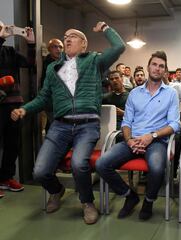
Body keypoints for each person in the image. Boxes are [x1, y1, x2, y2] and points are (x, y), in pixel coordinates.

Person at [11, 22, 125, 224]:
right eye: (65, 37)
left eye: (73, 36)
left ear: (84, 44)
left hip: (87, 125)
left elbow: (119, 47)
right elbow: (44, 97)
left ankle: (87, 202)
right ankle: (57, 190)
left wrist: (106, 28)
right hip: (60, 125)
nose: (67, 39)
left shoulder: (93, 61)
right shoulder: (53, 68)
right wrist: (25, 109)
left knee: (78, 164)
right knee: (40, 171)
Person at [96, 51, 180, 221]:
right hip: (132, 140)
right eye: (154, 64)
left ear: (165, 71)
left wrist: (151, 136)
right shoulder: (134, 93)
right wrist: (129, 140)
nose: (157, 68)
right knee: (102, 164)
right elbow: (126, 122)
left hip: (157, 141)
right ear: (149, 67)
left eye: (161, 66)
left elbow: (174, 124)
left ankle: (148, 201)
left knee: (156, 168)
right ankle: (130, 195)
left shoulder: (171, 94)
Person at [0, 22, 35, 197]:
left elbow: (29, 63)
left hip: (13, 104)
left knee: (12, 144)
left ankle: (6, 178)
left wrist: (30, 43)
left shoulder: (10, 51)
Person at [39, 38, 64, 133]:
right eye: (55, 47)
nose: (58, 49)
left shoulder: (63, 62)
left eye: (60, 47)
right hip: (51, 102)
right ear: (49, 49)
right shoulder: (46, 63)